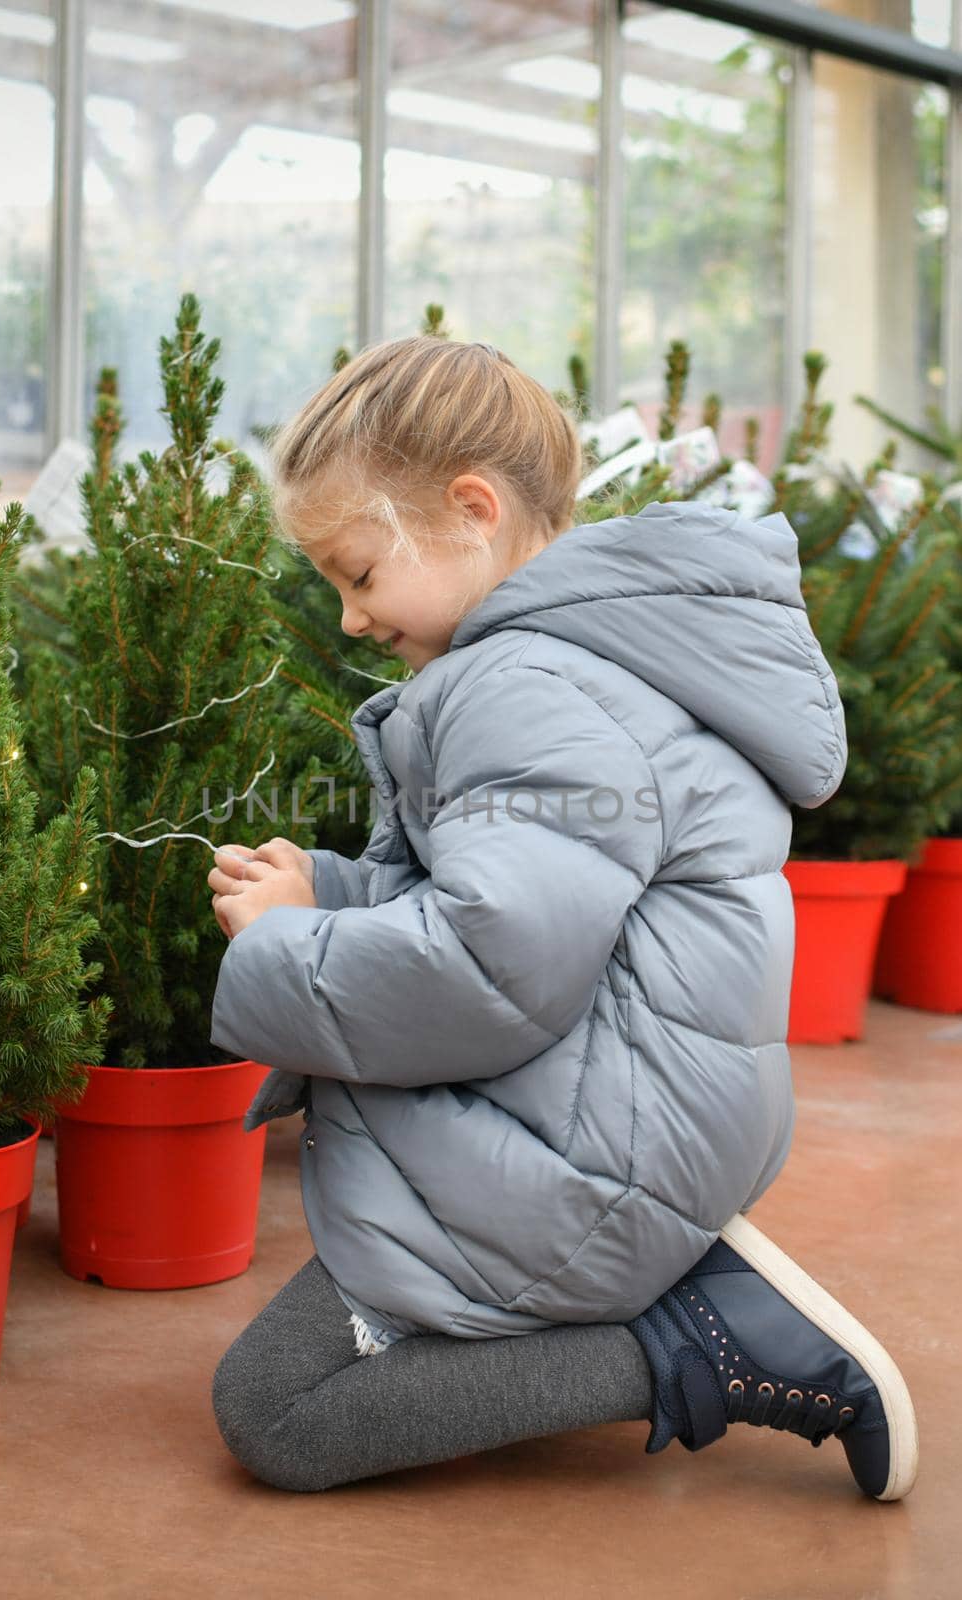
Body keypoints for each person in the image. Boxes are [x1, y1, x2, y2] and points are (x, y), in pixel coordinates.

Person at [206, 335, 918, 1501]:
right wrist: (330, 894)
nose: (345, 618)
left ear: (469, 509)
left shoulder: (520, 685)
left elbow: (486, 970)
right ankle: (677, 1294)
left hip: (595, 1150)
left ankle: (702, 1336)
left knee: (277, 1409)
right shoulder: (592, 658)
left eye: (357, 572)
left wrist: (291, 942)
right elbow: (527, 914)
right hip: (627, 1114)